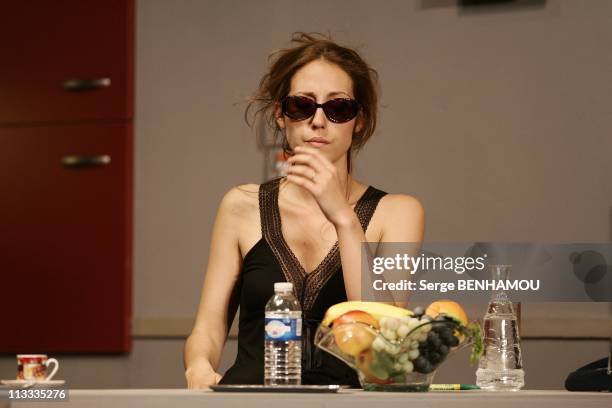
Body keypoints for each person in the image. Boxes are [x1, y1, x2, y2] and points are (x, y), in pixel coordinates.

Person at [183, 32, 425, 389]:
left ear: (358, 120)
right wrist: (198, 367)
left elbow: (386, 346)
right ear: (281, 115)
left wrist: (344, 218)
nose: (318, 121)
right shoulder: (240, 205)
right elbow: (208, 328)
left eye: (338, 107)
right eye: (302, 105)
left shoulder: (398, 212)